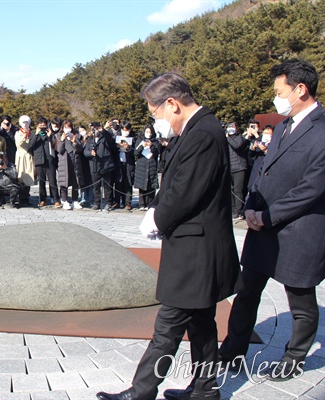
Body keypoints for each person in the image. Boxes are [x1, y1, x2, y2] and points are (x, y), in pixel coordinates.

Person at [97, 72, 240, 400]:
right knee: (202, 321)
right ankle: (205, 389)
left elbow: (185, 191)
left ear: (172, 104)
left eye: (156, 112)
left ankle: (142, 392)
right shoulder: (200, 128)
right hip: (196, 244)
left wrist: (157, 218)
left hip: (196, 250)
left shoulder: (203, 133)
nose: (156, 120)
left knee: (168, 326)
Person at [219, 59, 325, 382]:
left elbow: (312, 187)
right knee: (247, 290)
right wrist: (251, 204)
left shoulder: (321, 130)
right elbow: (264, 172)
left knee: (301, 302)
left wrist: (268, 216)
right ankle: (233, 350)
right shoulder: (282, 126)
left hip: (298, 230)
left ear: (300, 89)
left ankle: (293, 357)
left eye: (280, 91)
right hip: (263, 229)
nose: (276, 98)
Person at [83, 122, 117, 211]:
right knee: (96, 187)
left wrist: (103, 130)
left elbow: (111, 140)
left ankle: (108, 203)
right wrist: (90, 153)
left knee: (107, 186)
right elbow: (85, 151)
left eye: (97, 128)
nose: (95, 130)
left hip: (106, 165)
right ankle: (96, 203)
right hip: (94, 166)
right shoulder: (90, 139)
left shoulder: (105, 137)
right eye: (94, 129)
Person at [27, 117, 60, 207]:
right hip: (39, 160)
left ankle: (56, 199)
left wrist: (49, 137)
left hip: (49, 160)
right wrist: (37, 134)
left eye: (44, 125)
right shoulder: (34, 134)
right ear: (37, 126)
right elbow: (30, 146)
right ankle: (42, 199)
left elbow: (55, 146)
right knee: (41, 181)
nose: (42, 127)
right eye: (40, 125)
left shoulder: (50, 134)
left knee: (52, 180)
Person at [56, 120, 84, 210]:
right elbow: (60, 150)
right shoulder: (58, 136)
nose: (67, 129)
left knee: (75, 181)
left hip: (75, 161)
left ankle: (75, 200)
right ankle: (64, 200)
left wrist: (74, 141)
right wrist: (62, 141)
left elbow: (80, 149)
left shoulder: (77, 136)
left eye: (69, 127)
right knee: (64, 182)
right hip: (64, 161)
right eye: (65, 127)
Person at [133, 125, 160, 211]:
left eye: (150, 132)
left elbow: (157, 153)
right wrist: (142, 146)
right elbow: (135, 153)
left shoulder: (155, 142)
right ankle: (141, 204)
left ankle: (150, 203)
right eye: (147, 132)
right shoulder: (139, 140)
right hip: (142, 165)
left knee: (150, 185)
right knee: (142, 184)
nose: (148, 134)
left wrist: (151, 146)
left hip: (152, 165)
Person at [226, 122, 248, 220]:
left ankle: (237, 211)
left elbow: (236, 146)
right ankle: (231, 209)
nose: (230, 128)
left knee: (238, 190)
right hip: (229, 167)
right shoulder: (226, 139)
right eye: (228, 127)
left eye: (232, 127)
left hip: (239, 167)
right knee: (230, 190)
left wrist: (228, 138)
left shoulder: (239, 138)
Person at [113, 120, 136, 210]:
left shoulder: (133, 137)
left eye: (127, 129)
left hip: (129, 163)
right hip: (119, 162)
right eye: (124, 129)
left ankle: (127, 202)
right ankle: (117, 201)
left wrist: (129, 148)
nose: (125, 131)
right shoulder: (116, 137)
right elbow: (112, 149)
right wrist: (117, 147)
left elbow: (136, 152)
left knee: (128, 183)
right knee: (118, 182)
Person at [14, 115, 35, 205]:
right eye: (23, 122)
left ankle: (26, 197)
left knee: (29, 176)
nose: (25, 124)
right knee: (20, 176)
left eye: (27, 122)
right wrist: (25, 135)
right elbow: (19, 143)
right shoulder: (18, 133)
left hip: (29, 156)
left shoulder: (32, 134)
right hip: (20, 156)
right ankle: (20, 197)